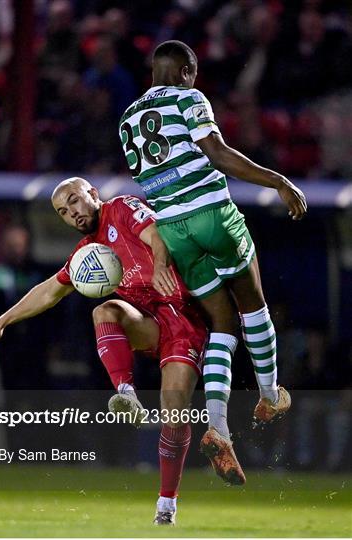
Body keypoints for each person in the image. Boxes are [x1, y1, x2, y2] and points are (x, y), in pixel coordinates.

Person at [119, 40, 307, 482]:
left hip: (174, 231)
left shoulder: (127, 118)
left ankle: (219, 428)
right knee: (253, 305)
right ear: (186, 71)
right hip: (211, 216)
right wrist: (277, 181)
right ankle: (270, 393)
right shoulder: (190, 98)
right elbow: (216, 152)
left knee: (221, 326)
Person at [0, 177, 210, 526]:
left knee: (174, 412)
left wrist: (162, 266)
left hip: (184, 318)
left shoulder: (121, 207)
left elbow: (157, 235)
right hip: (148, 322)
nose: (71, 212)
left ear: (93, 194)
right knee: (103, 311)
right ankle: (125, 392)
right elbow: (49, 291)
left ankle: (167, 504)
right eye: (62, 211)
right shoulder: (88, 251)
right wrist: (3, 320)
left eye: (74, 201)